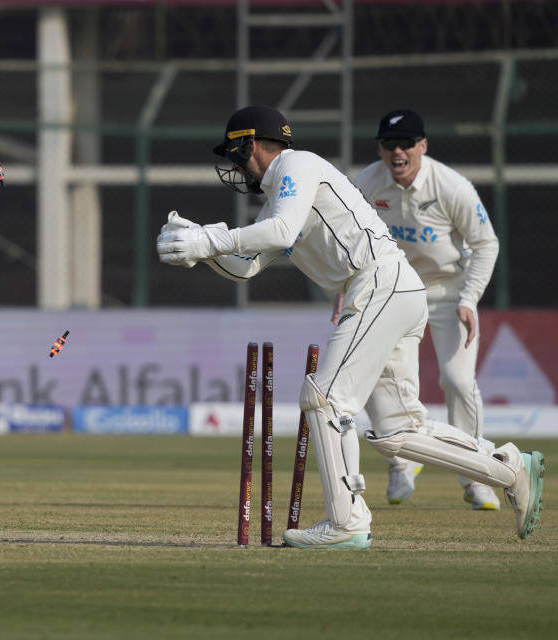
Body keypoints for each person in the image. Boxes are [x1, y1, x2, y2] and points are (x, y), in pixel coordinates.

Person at [155, 105, 543, 549]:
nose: (235, 164)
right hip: (391, 290)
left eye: (236, 153)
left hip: (379, 283)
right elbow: (246, 266)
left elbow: (281, 233)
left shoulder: (296, 165)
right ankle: (510, 468)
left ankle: (347, 522)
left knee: (323, 398)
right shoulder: (279, 198)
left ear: (254, 144)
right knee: (399, 430)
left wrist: (209, 239)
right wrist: (200, 247)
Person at [342, 109, 501, 510]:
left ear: (422, 146)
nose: (397, 152)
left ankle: (477, 475)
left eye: (406, 144)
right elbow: (346, 239)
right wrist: (345, 289)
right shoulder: (364, 184)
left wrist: (469, 299)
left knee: (458, 381)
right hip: (392, 290)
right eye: (389, 145)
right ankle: (401, 463)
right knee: (384, 379)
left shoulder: (451, 186)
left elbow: (485, 244)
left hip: (448, 292)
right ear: (379, 148)